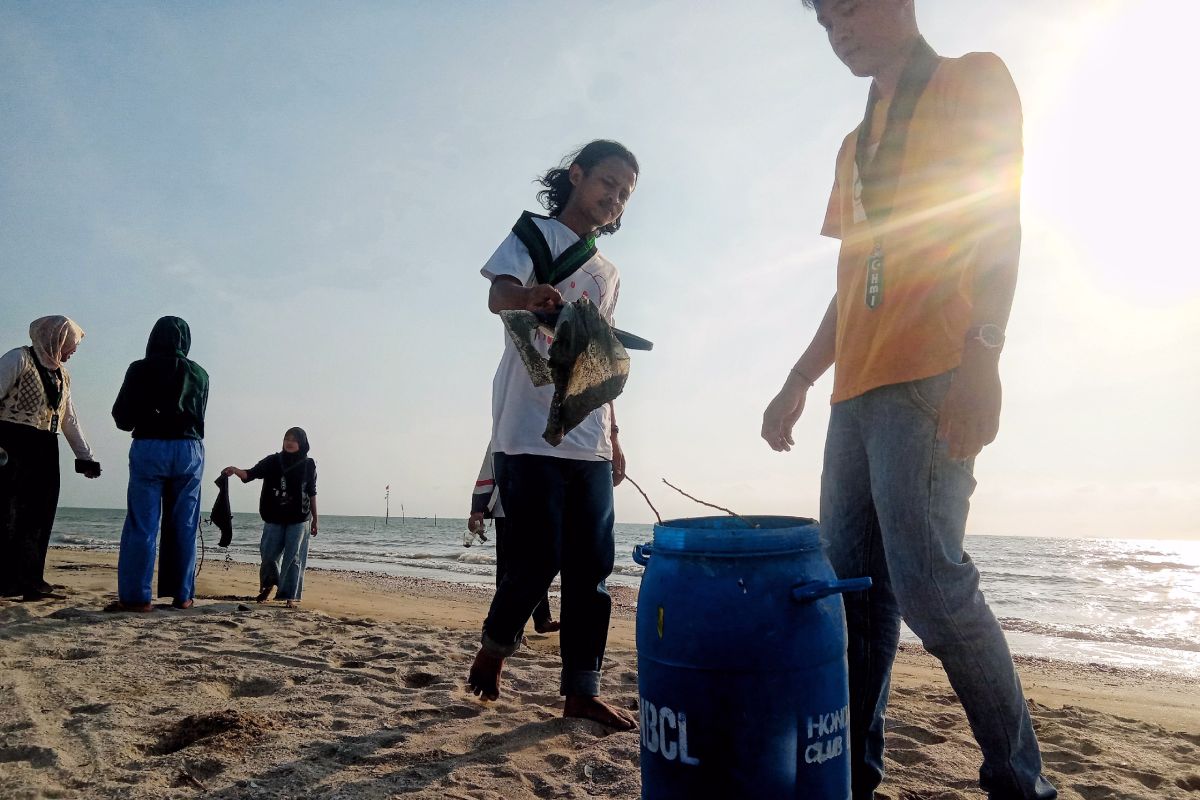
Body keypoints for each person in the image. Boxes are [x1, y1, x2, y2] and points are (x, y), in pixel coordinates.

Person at [760, 2, 1056, 798]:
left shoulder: (972, 81)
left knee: (932, 585)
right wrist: (799, 377)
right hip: (854, 395)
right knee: (854, 597)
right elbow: (854, 280)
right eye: (825, 22)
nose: (839, 31)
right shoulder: (854, 144)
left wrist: (984, 357)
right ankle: (855, 777)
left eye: (849, 8)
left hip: (932, 374)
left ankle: (1020, 782)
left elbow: (1000, 222)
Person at [467, 140, 638, 730]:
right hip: (528, 425)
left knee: (592, 566)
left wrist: (615, 435)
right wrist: (526, 297)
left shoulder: (609, 273)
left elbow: (605, 359)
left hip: (587, 430)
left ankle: (581, 691)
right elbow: (497, 294)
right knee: (535, 557)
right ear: (577, 175)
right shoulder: (534, 235)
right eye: (608, 182)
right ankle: (494, 648)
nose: (614, 197)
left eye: (624, 193)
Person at [110, 316, 208, 612]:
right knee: (185, 524)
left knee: (143, 524)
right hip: (189, 449)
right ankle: (183, 595)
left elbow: (121, 417)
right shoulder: (200, 374)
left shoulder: (139, 369)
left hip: (150, 446)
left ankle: (137, 598)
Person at [0, 316, 101, 601]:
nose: (73, 352)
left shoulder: (63, 375)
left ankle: (31, 582)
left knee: (40, 515)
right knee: (6, 514)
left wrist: (85, 457)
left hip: (45, 448)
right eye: (71, 345)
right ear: (56, 339)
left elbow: (68, 418)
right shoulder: (18, 359)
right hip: (10, 444)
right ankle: (5, 582)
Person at [467, 443, 559, 634]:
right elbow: (489, 464)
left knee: (540, 566)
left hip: (543, 507)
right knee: (509, 570)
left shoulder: (552, 426)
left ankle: (542, 619)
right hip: (508, 508)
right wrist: (477, 508)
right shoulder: (507, 424)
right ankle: (504, 627)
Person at [223, 427, 317, 608]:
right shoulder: (273, 461)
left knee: (294, 558)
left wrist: (315, 520)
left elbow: (312, 492)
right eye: (286, 439)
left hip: (299, 518)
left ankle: (290, 596)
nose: (289, 442)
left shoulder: (308, 464)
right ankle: (269, 584)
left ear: (302, 443)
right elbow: (250, 474)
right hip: (274, 516)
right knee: (268, 554)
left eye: (294, 439)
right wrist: (235, 470)